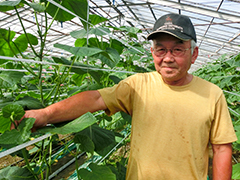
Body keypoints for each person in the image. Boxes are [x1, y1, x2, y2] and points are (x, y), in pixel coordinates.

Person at [21, 13, 237, 180]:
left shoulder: (212, 94)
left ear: (194, 54)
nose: (168, 58)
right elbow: (95, 99)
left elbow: (221, 149)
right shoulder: (138, 85)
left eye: (178, 50)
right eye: (160, 49)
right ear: (152, 53)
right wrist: (45, 114)